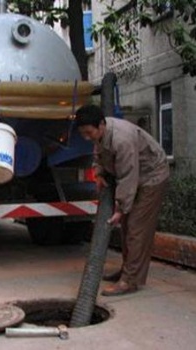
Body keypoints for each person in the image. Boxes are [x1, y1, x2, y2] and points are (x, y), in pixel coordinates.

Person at [75, 105, 170, 296]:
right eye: (83, 133)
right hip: (136, 176)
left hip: (152, 177)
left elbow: (128, 176)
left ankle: (130, 281)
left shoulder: (122, 139)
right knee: (127, 227)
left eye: (89, 132)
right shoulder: (101, 133)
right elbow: (99, 152)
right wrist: (99, 172)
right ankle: (127, 270)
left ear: (101, 124)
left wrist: (120, 208)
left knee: (136, 229)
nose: (87, 137)